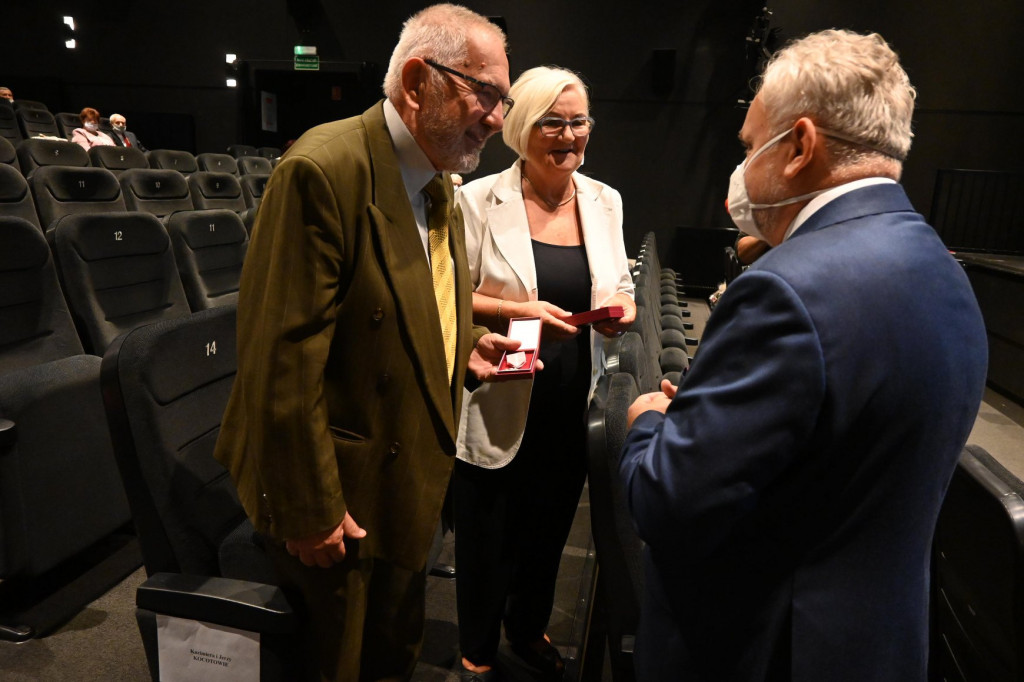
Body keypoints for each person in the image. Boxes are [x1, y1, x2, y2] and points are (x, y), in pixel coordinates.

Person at [619, 29, 988, 682]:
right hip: (875, 646)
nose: (741, 169)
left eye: (748, 146)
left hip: (766, 650)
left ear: (799, 147)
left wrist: (648, 421)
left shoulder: (786, 289)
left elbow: (667, 501)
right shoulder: (941, 266)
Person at [214, 5, 519, 681]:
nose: (498, 118)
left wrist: (465, 341)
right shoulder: (323, 170)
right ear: (416, 81)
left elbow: (412, 298)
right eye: (486, 93)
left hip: (402, 480)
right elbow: (281, 359)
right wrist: (308, 508)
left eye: (504, 99)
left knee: (390, 657)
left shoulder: (435, 181)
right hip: (337, 503)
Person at [454, 66, 635, 681]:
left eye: (579, 121)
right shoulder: (477, 199)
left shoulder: (605, 200)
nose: (569, 135)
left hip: (572, 396)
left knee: (551, 527)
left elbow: (619, 281)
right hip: (501, 386)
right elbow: (451, 295)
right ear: (523, 129)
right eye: (553, 123)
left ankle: (527, 627)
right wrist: (516, 310)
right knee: (489, 531)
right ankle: (476, 648)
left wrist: (623, 308)